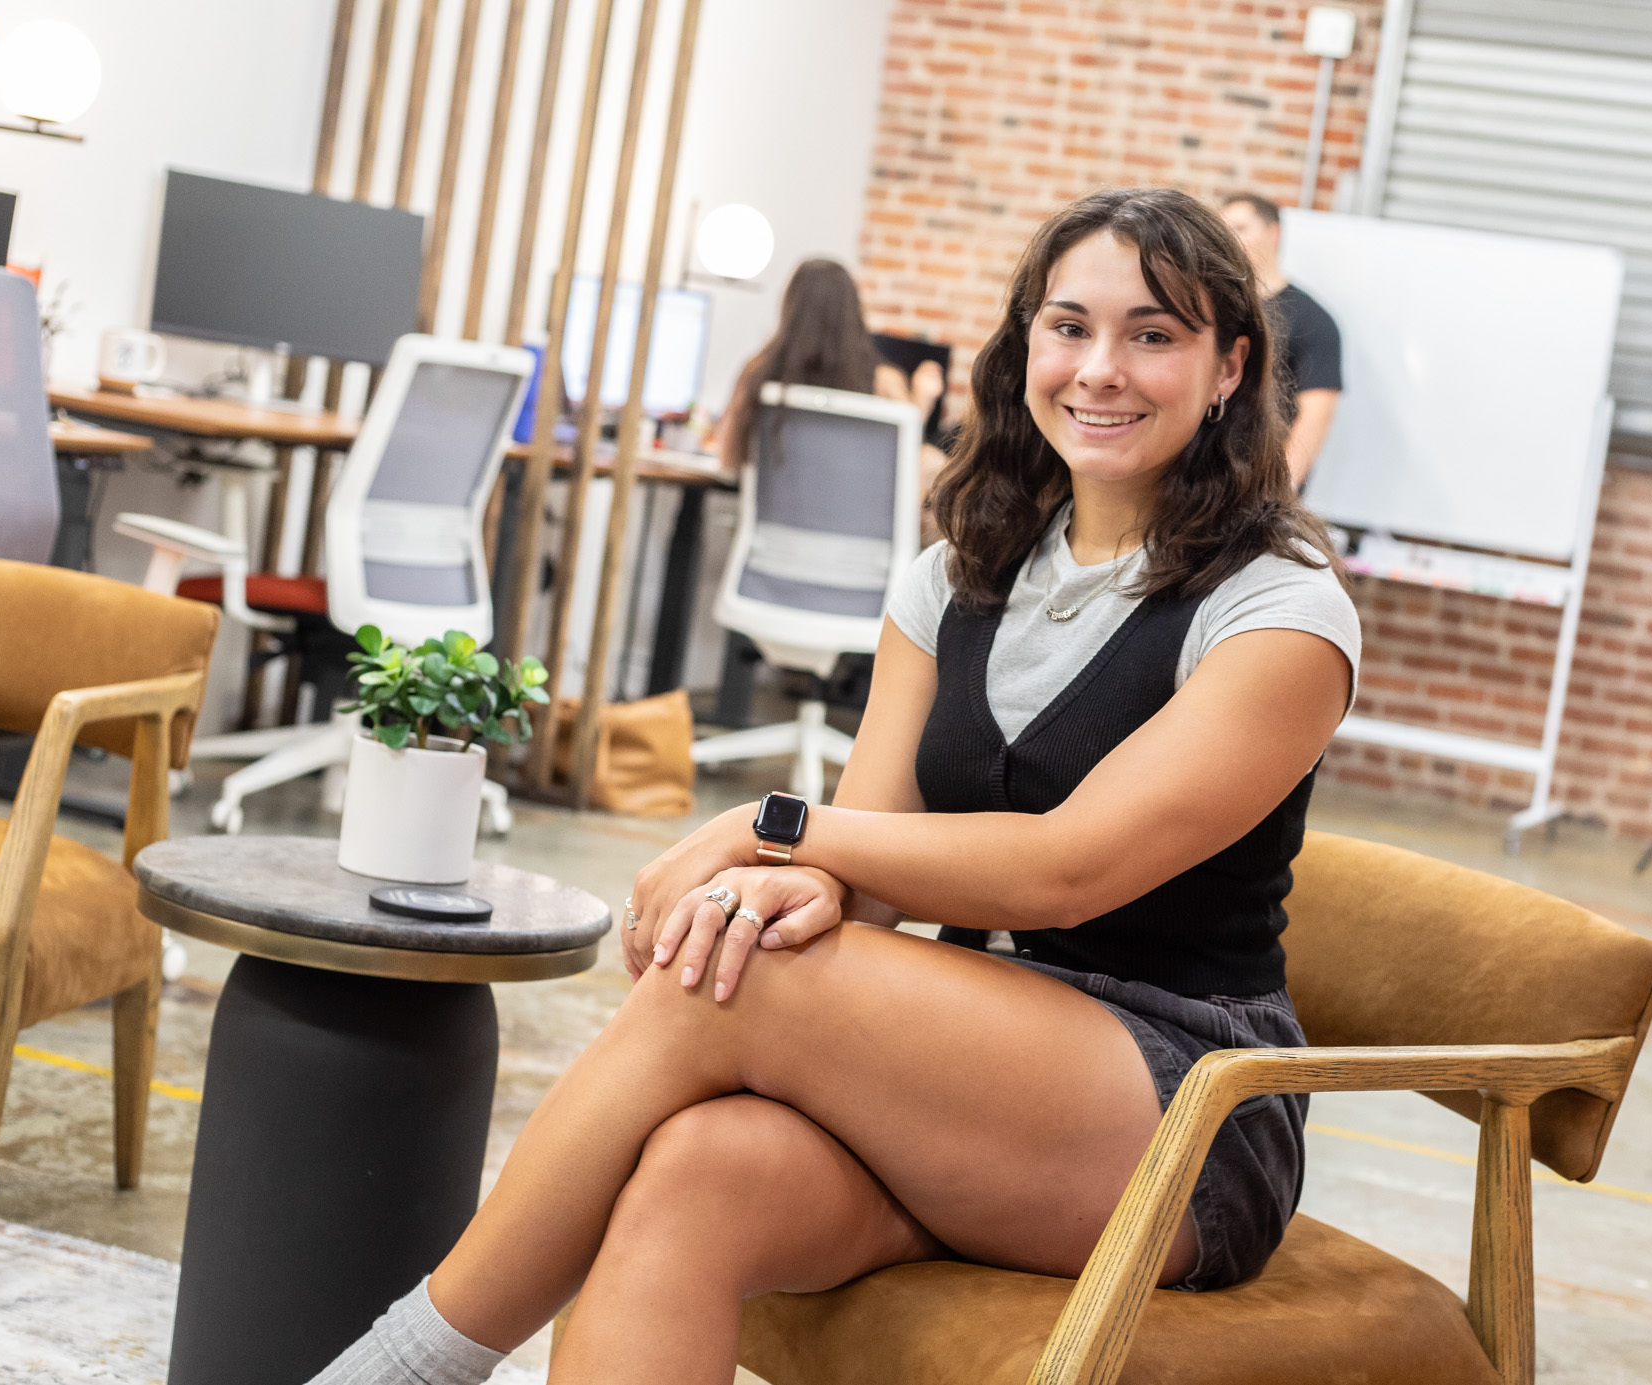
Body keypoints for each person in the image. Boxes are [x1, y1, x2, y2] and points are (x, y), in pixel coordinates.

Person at [307, 186, 1359, 1384]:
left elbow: (1070, 867)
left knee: (744, 984)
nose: (1099, 368)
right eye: (1067, 327)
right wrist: (773, 885)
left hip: (1181, 1109)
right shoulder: (955, 573)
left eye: (1153, 335)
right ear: (1024, 346)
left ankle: (405, 1363)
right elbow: (852, 872)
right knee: (693, 1170)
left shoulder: (1277, 607)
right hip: (945, 1078)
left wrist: (771, 829)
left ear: (1229, 367)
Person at [714, 256, 948, 498]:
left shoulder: (760, 373)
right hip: (858, 530)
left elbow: (729, 462)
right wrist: (920, 403)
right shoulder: (884, 381)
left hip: (773, 532)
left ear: (790, 308)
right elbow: (905, 469)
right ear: (853, 311)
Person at [1220, 193, 1342, 489]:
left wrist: (1278, 490)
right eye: (1224, 231)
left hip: (1257, 482)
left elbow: (1316, 415)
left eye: (1240, 228)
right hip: (1197, 477)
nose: (1229, 239)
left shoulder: (1312, 320)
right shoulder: (1214, 307)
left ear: (1273, 234)